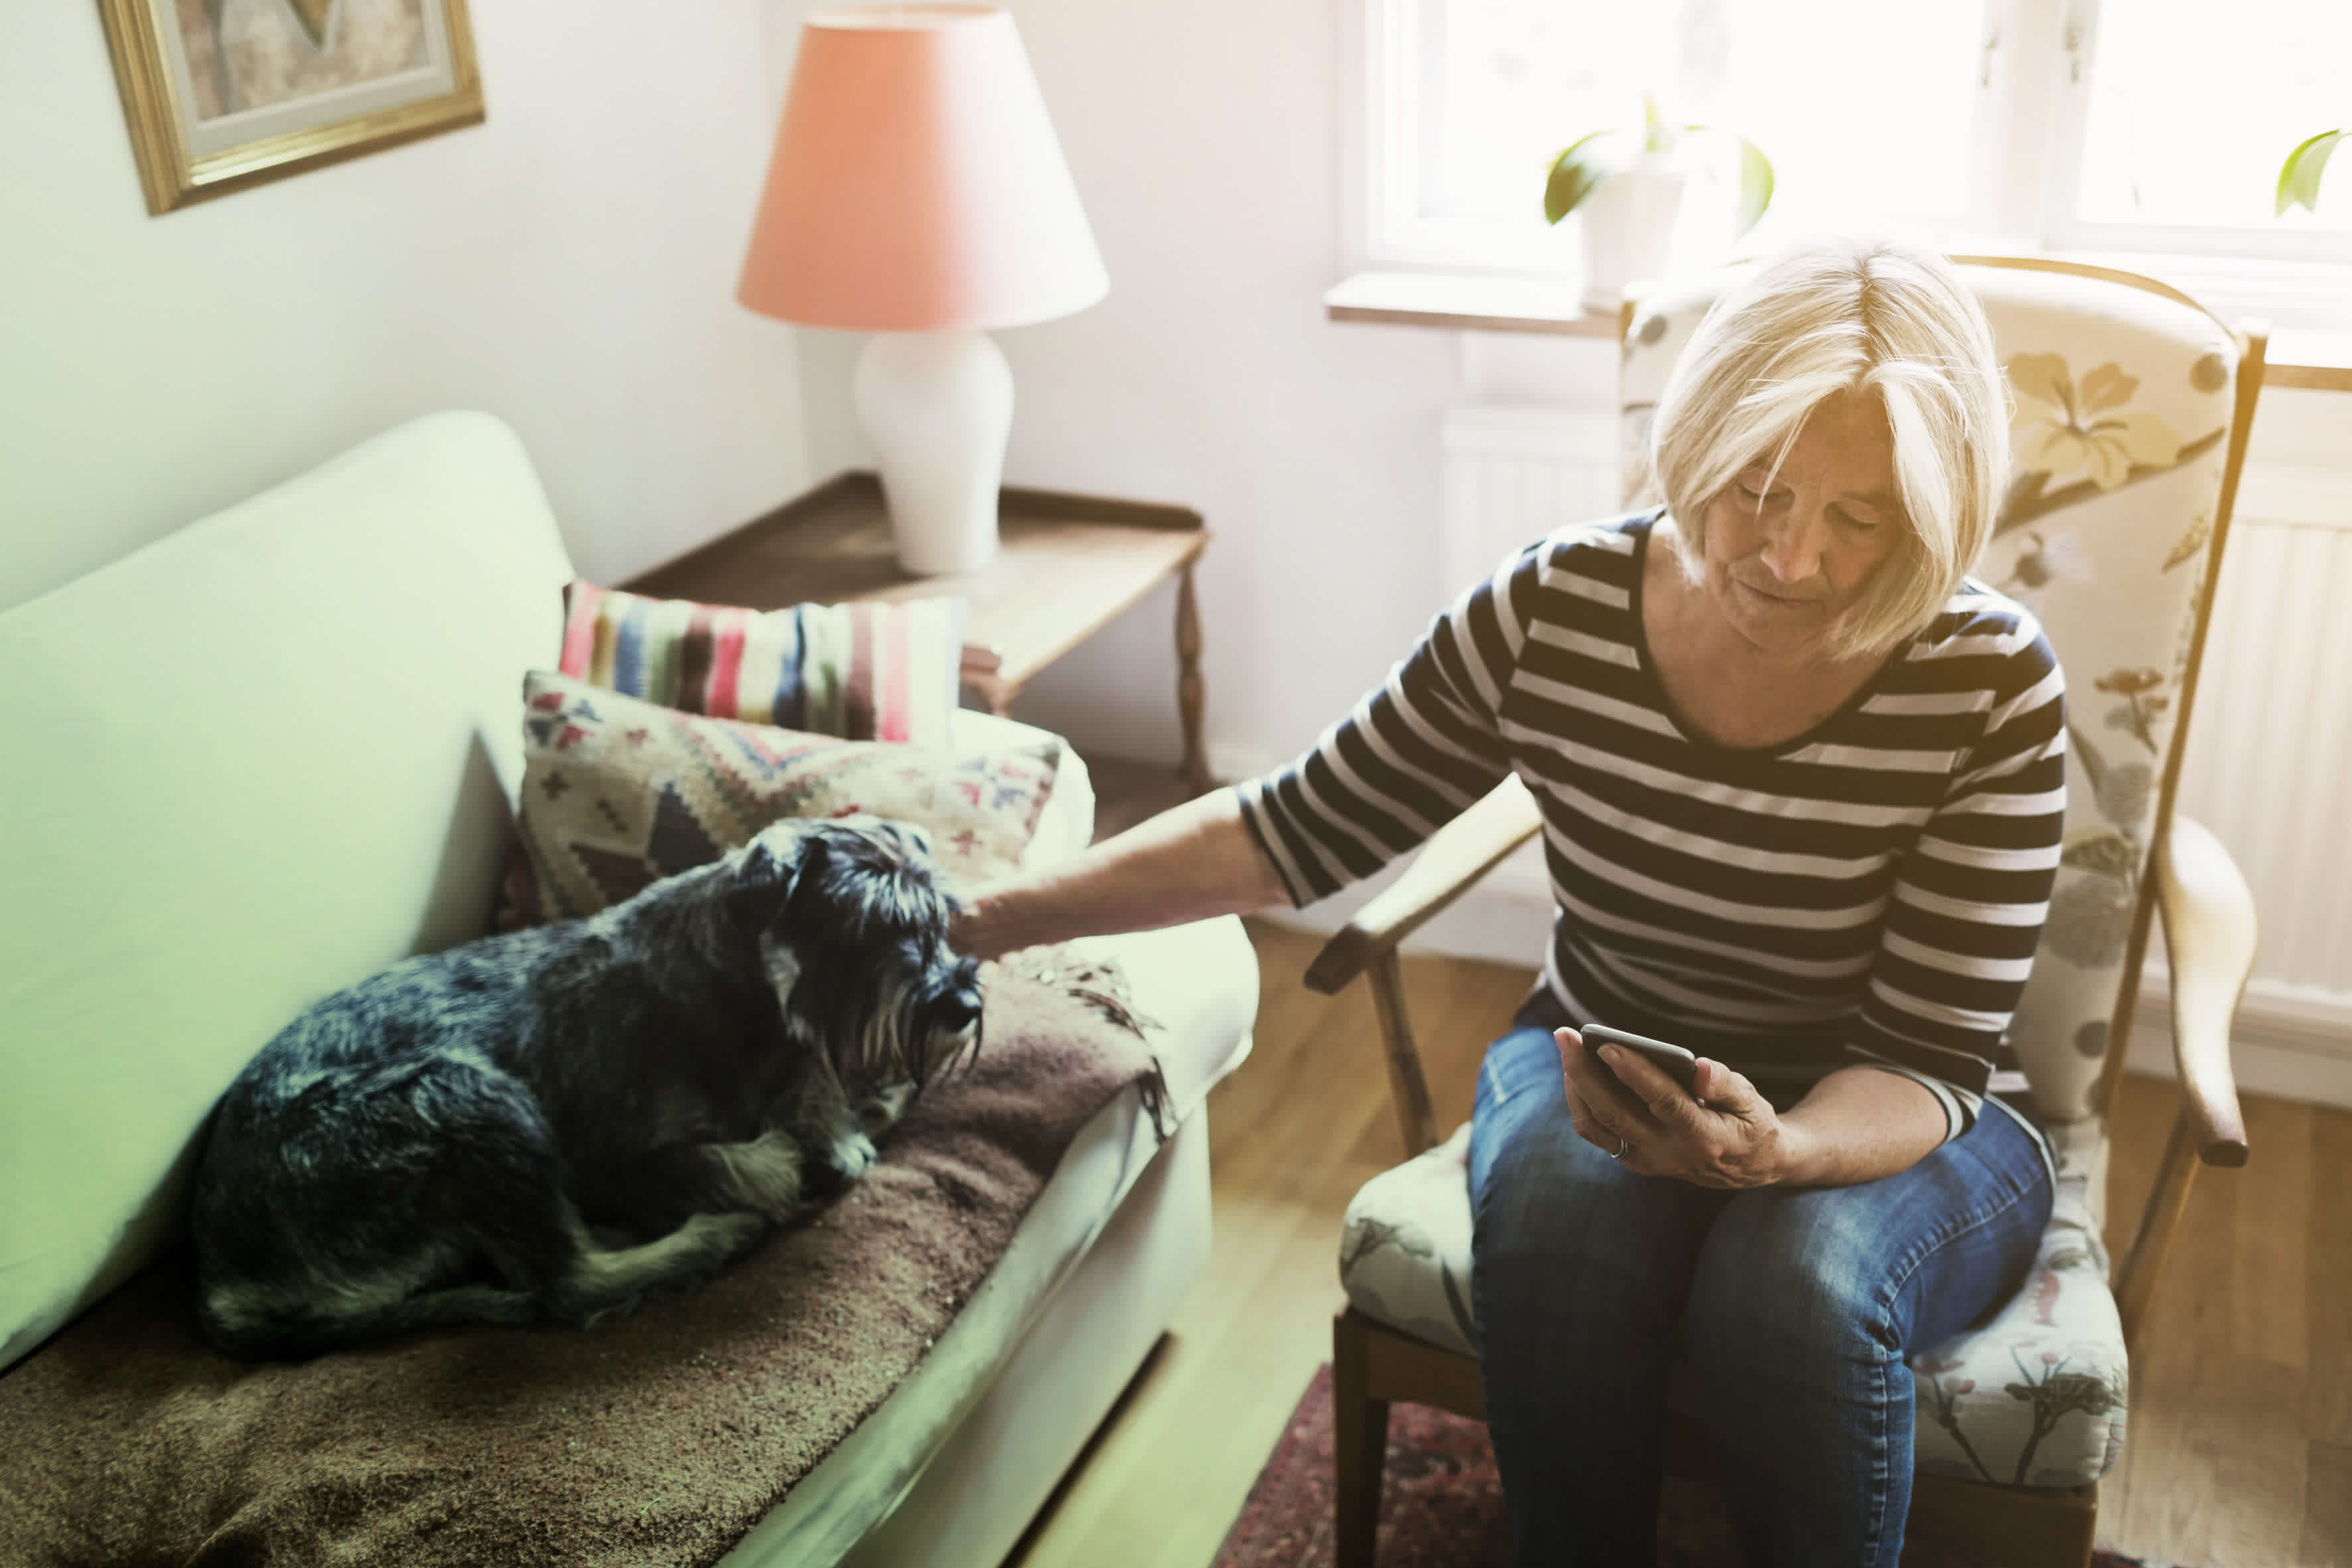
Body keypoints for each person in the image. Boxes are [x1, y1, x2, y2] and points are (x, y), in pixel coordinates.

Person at [951, 236, 2063, 1567]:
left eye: (1859, 517)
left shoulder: (1985, 679)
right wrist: (989, 914)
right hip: (1607, 1054)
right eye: (1755, 490)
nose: (1794, 558)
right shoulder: (1556, 608)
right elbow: (1297, 823)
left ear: (1929, 517)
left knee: (1795, 1283)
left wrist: (1782, 1155)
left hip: (1902, 1117)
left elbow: (1931, 1050)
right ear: (1693, 440)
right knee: (1557, 1229)